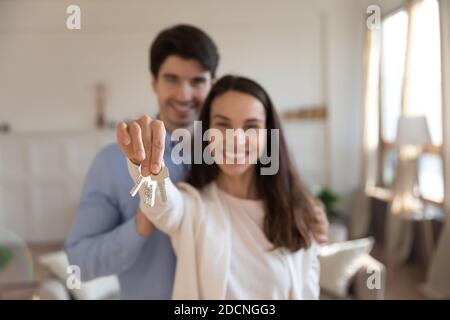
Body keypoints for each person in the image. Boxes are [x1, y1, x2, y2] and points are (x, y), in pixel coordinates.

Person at [66, 24, 329, 299]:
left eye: (197, 81)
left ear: (212, 83)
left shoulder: (238, 158)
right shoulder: (114, 162)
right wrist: (142, 221)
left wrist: (307, 215)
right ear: (154, 81)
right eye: (171, 79)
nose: (184, 95)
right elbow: (80, 264)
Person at [119, 75, 321, 299]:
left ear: (268, 135)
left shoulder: (297, 211)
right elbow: (160, 205)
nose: (236, 139)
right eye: (223, 125)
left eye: (251, 126)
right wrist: (146, 167)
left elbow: (309, 290)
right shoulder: (192, 207)